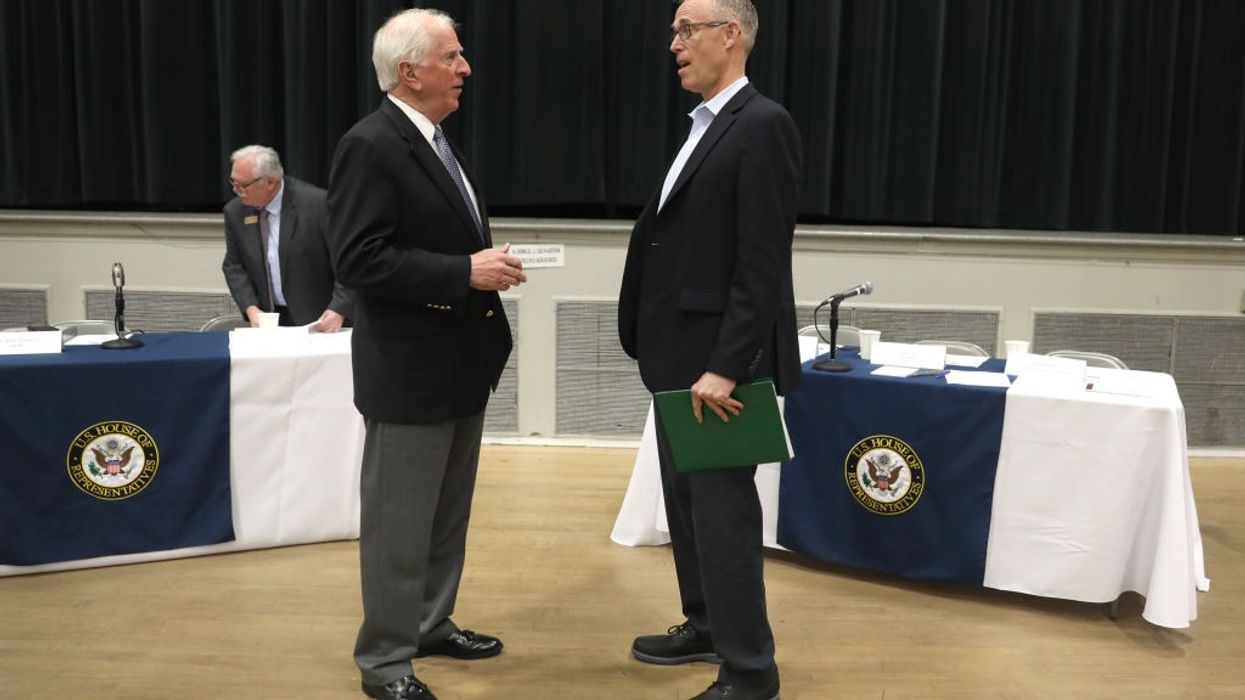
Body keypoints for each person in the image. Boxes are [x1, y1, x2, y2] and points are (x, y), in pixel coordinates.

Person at [326, 8, 525, 700]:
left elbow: (433, 242)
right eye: (451, 57)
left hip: (458, 365)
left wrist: (479, 265)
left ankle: (430, 623)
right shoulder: (371, 144)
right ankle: (384, 662)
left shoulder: (433, 140)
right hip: (409, 372)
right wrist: (461, 273)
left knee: (444, 518)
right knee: (398, 528)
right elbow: (357, 259)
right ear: (409, 72)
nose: (464, 68)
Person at [617, 1, 802, 699]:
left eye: (686, 30)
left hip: (716, 369)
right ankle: (706, 626)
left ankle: (750, 670)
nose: (674, 44)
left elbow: (760, 264)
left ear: (732, 35)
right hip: (677, 361)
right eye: (673, 31)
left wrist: (726, 366)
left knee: (722, 519)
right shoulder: (705, 127)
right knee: (688, 510)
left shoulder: (762, 125)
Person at [221, 145, 351, 330]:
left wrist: (339, 308)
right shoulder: (235, 212)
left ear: (271, 182)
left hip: (320, 320)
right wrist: (251, 309)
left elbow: (348, 261)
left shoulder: (317, 205)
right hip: (269, 322)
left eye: (242, 185)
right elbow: (234, 266)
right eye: (233, 182)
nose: (236, 190)